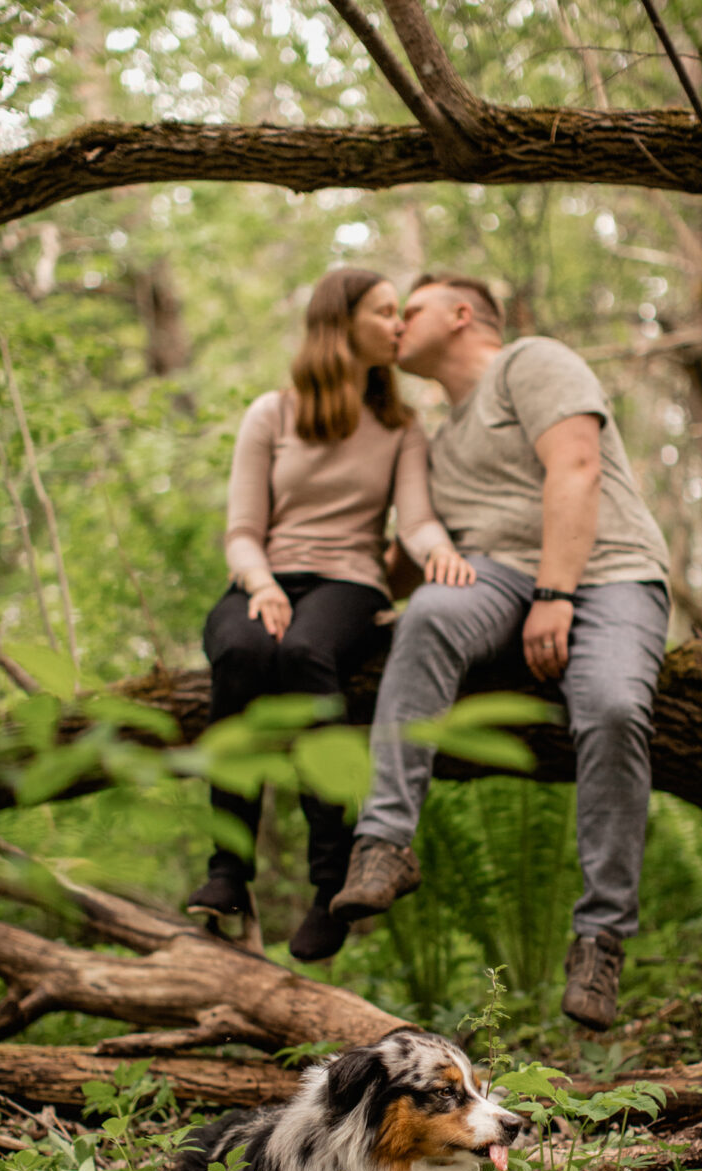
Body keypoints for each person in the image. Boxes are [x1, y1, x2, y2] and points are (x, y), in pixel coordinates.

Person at [328, 273, 673, 1031]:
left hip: (608, 572)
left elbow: (576, 467)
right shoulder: (438, 439)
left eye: (407, 310)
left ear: (459, 315)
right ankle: (384, 843)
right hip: (498, 578)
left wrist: (555, 595)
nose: (394, 325)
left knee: (614, 707)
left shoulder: (531, 363)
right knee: (428, 614)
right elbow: (411, 552)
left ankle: (601, 935)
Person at [186, 268, 470, 962]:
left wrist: (444, 557)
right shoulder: (271, 414)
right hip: (265, 578)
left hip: (351, 583)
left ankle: (329, 880)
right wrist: (261, 585)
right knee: (242, 654)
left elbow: (418, 521)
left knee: (305, 653)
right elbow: (243, 530)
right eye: (384, 313)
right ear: (339, 323)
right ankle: (227, 870)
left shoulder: (402, 426)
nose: (398, 325)